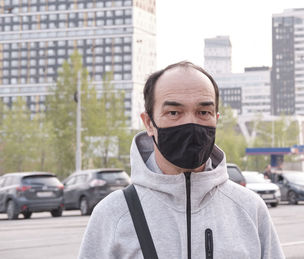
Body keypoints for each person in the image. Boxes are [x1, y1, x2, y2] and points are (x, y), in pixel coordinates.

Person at [79, 62, 285, 258]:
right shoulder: (113, 214)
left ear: (216, 119)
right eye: (174, 112)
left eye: (203, 112)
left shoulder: (250, 209)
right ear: (149, 123)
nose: (190, 122)